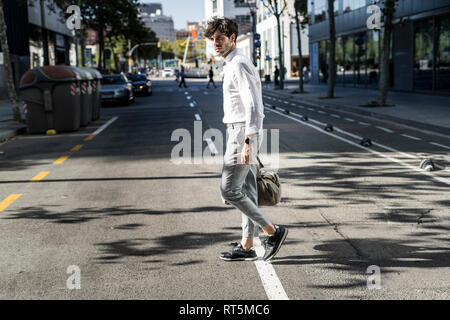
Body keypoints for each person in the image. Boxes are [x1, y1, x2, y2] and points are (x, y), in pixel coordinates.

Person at [205, 17, 288, 262]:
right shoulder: (232, 63)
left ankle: (272, 232)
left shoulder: (239, 64)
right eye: (213, 40)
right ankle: (247, 244)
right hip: (238, 130)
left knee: (229, 190)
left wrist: (248, 142)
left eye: (220, 38)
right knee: (247, 190)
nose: (216, 43)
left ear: (232, 38)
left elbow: (254, 106)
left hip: (243, 132)